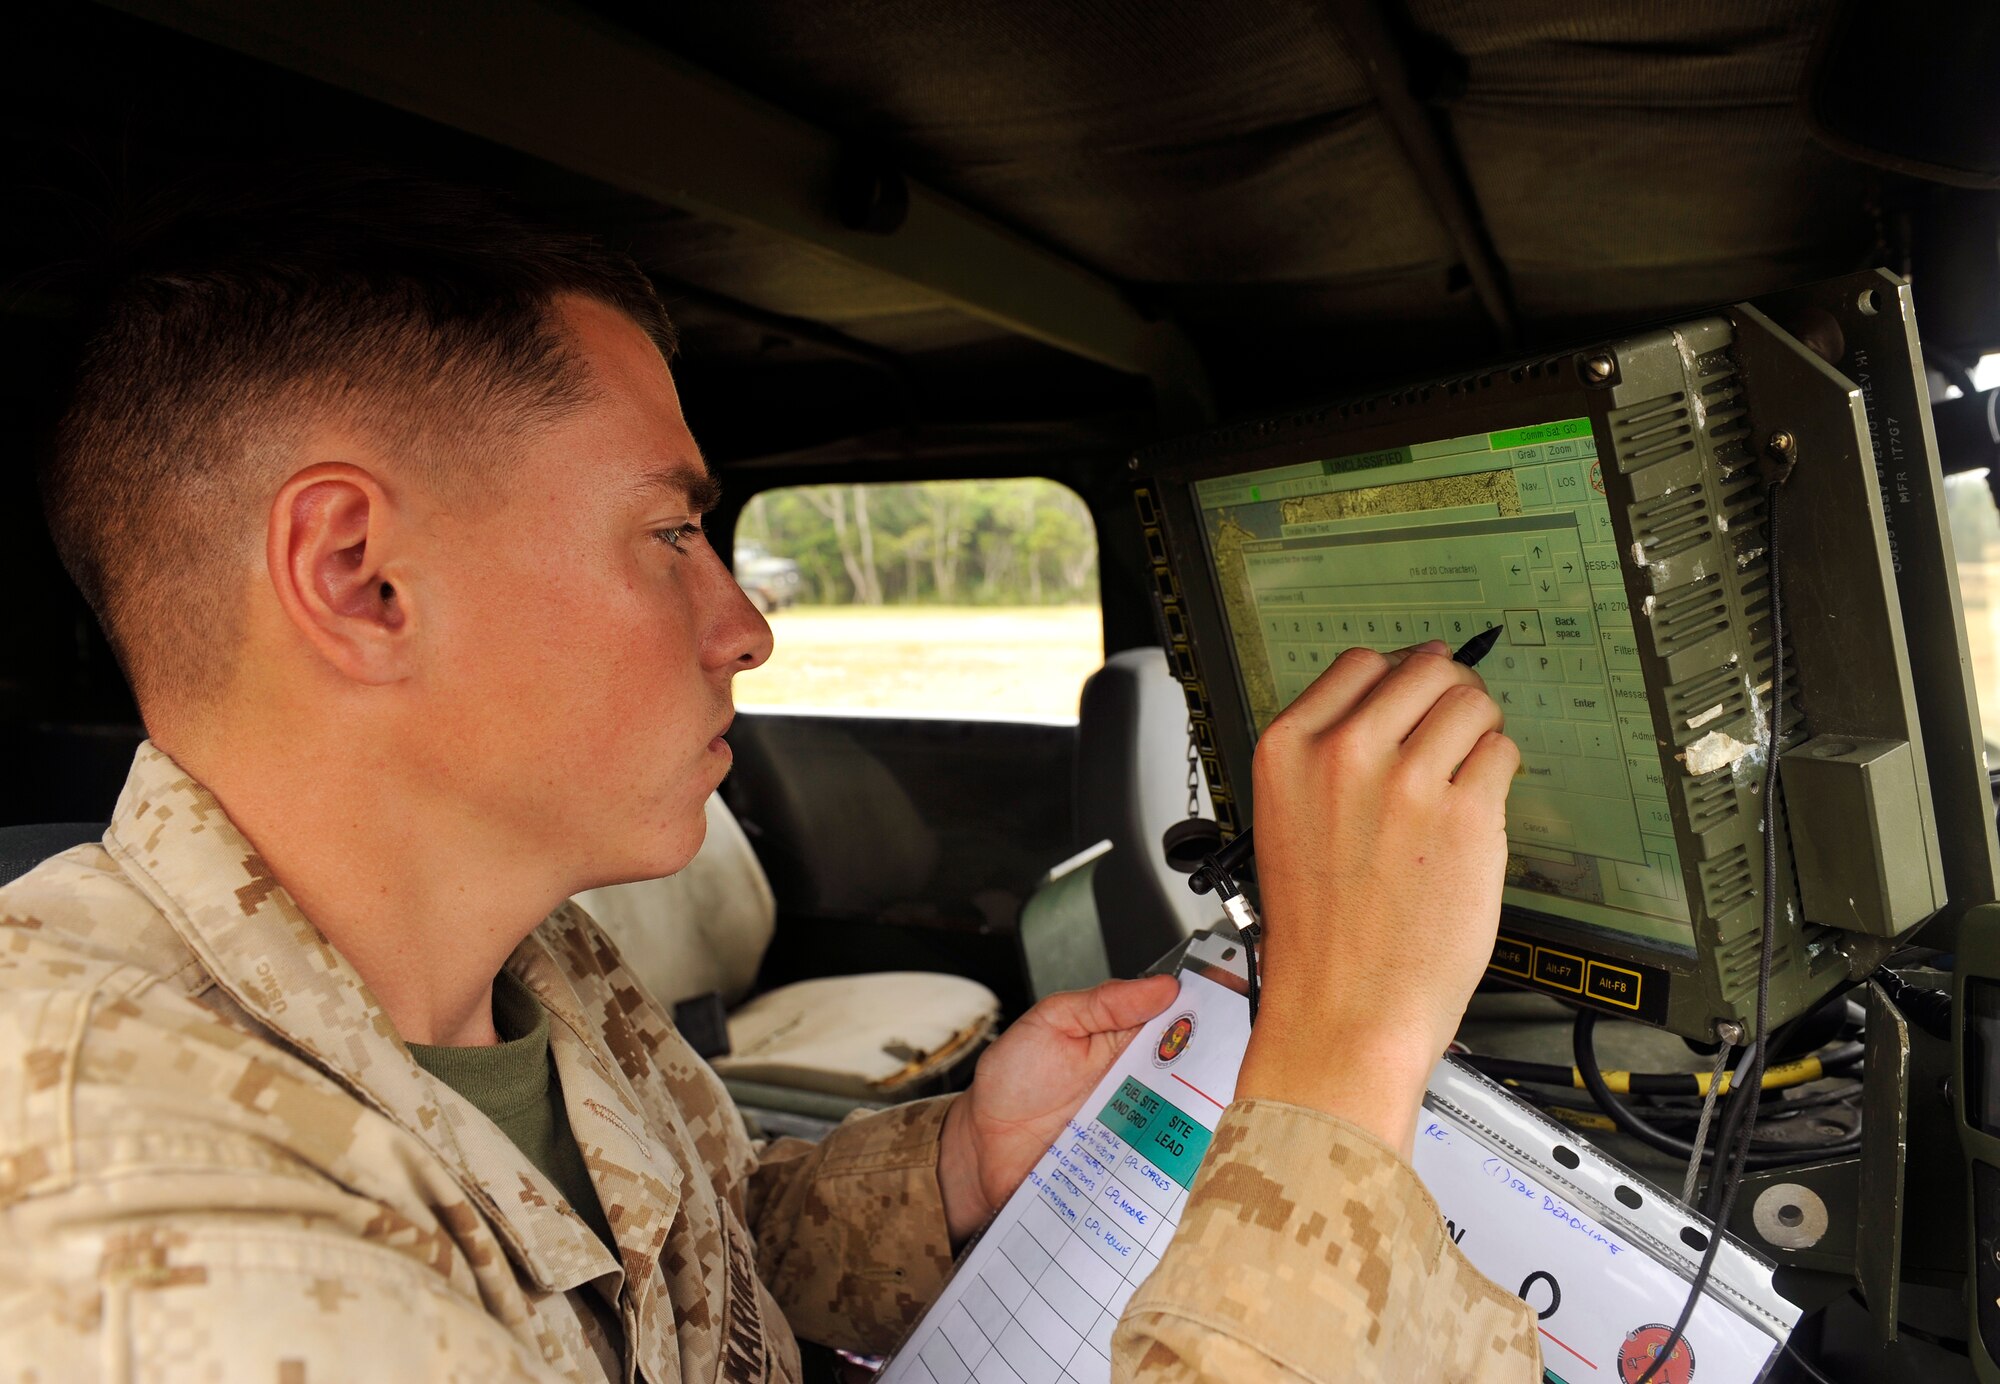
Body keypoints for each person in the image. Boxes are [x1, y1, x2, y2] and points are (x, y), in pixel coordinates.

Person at [0, 168, 1539, 1381]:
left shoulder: (532, 962)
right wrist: (1344, 1051)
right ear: (360, 577)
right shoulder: (135, 1221)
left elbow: (708, 1250)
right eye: (671, 533)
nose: (744, 628)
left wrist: (962, 1167)